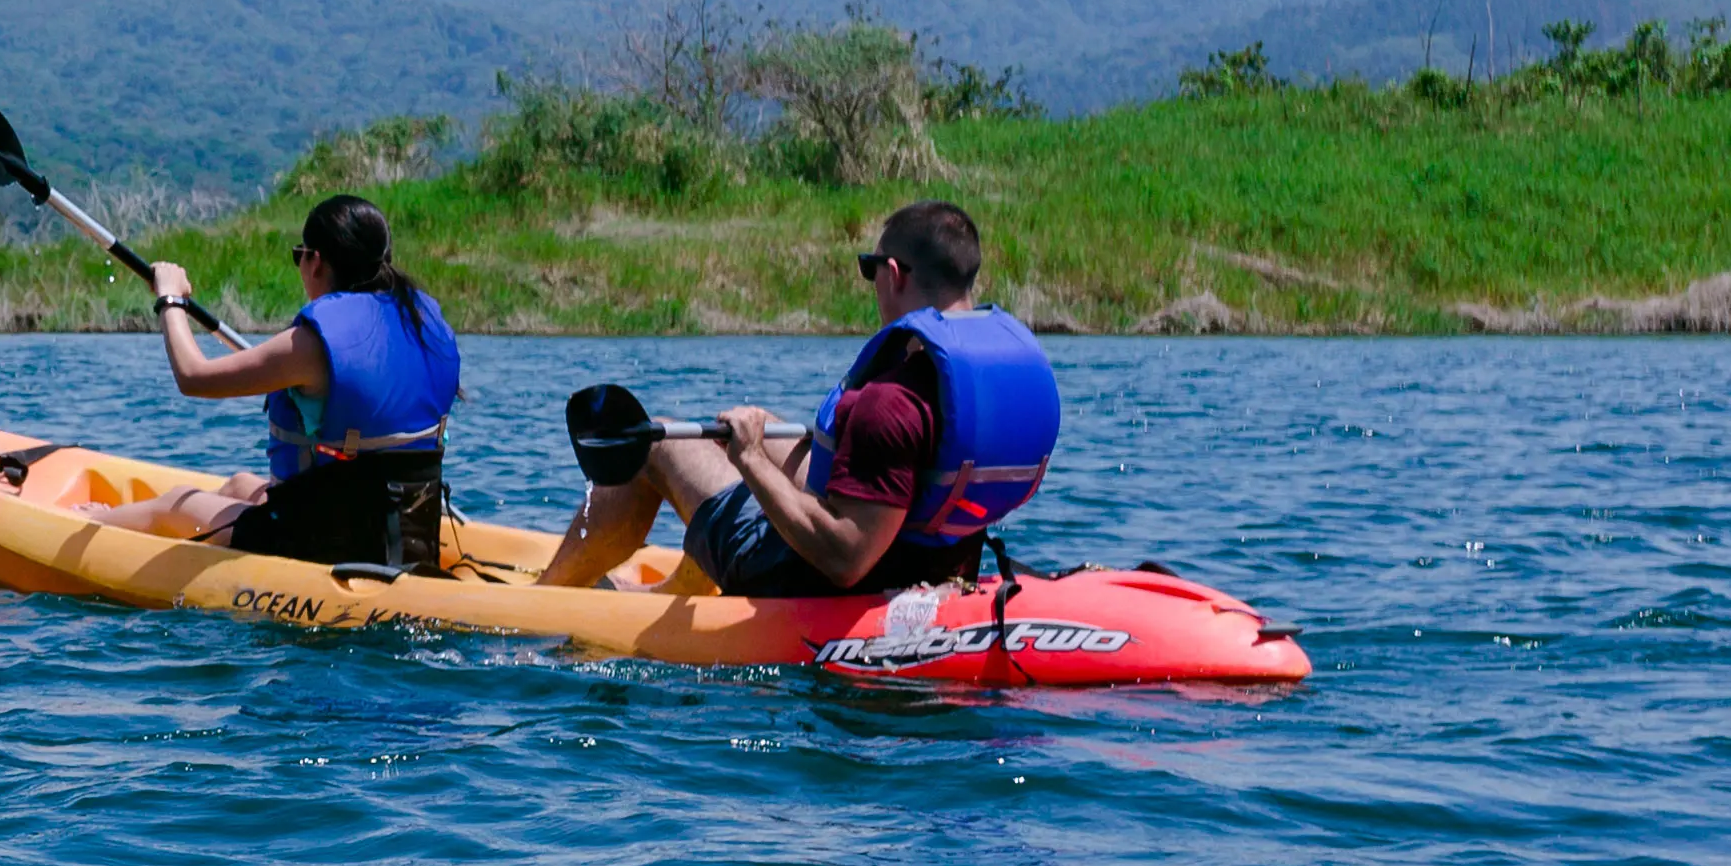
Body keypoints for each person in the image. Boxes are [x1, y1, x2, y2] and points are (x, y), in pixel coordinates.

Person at [533, 197, 1060, 597]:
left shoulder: (890, 401)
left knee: (659, 446)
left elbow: (846, 558)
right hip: (937, 563)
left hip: (816, 580)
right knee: (750, 433)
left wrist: (750, 461)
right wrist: (754, 447)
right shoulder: (978, 380)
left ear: (894, 274)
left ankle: (549, 597)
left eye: (869, 267)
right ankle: (680, 591)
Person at [97, 194, 464, 569]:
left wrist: (170, 299)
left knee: (174, 503)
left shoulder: (311, 345)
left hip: (322, 539)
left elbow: (193, 377)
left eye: (298, 255)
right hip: (400, 524)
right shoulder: (421, 321)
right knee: (241, 484)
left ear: (316, 261)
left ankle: (84, 520)